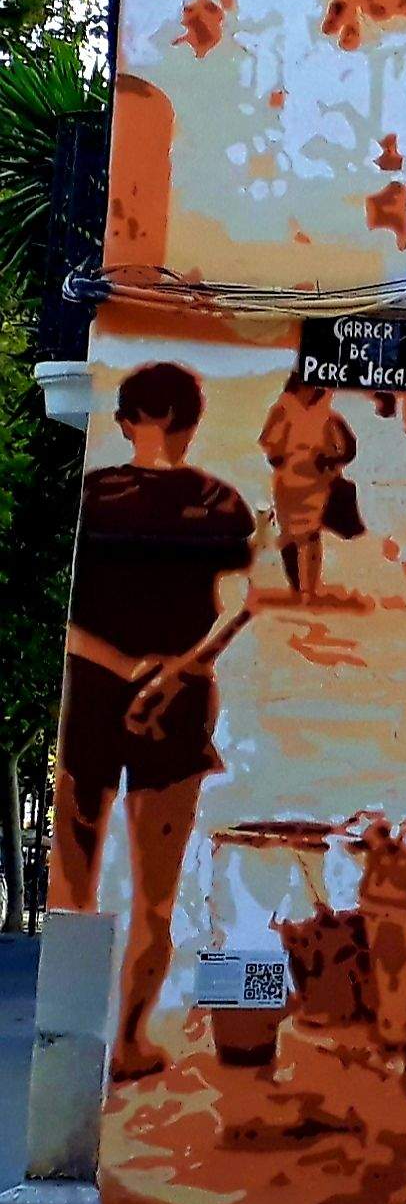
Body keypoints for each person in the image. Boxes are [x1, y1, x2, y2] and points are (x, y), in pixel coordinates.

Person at [53, 363, 260, 1079]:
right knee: (157, 894)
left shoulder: (91, 497)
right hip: (175, 708)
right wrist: (173, 670)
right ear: (192, 420)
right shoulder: (219, 500)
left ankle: (69, 1044)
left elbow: (70, 623)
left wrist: (121, 668)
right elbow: (242, 603)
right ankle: (132, 1041)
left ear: (122, 421)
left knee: (74, 884)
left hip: (89, 699)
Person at [255, 372, 359, 606]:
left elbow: (347, 448)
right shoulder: (284, 408)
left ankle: (307, 592)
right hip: (290, 483)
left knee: (309, 534)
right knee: (292, 535)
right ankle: (299, 589)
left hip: (315, 484)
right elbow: (270, 445)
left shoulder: (325, 413)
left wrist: (326, 460)